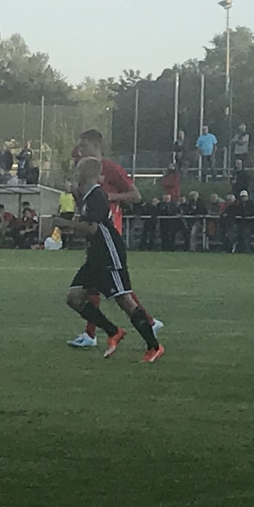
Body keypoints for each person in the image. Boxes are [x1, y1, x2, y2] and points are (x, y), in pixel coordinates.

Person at [62, 158, 164, 362]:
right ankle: (113, 331)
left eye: (79, 171)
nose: (76, 174)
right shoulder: (87, 196)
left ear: (88, 174)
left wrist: (63, 223)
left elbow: (92, 228)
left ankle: (154, 346)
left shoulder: (97, 196)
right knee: (74, 298)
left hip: (109, 253)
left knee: (124, 300)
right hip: (95, 255)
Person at [67, 129, 150, 350]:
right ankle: (95, 333)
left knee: (116, 289)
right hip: (95, 234)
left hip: (109, 234)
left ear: (96, 146)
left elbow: (136, 195)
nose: (80, 150)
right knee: (94, 286)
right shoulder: (85, 169)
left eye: (84, 146)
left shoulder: (111, 168)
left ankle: (146, 325)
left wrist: (108, 197)